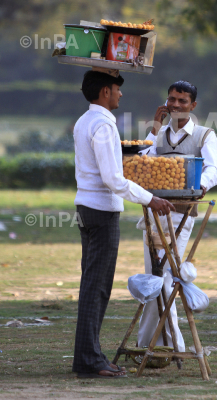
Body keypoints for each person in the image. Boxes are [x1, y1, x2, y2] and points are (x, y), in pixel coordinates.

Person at [72, 70, 175, 379]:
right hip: (101, 213)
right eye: (117, 89)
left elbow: (126, 158)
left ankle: (87, 358)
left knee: (93, 285)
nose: (120, 95)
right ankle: (89, 360)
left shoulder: (85, 121)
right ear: (105, 91)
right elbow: (114, 178)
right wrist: (150, 199)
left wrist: (154, 131)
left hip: (88, 208)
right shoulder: (102, 124)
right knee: (97, 287)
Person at [137, 80, 217, 352]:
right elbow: (140, 161)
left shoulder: (205, 135)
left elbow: (212, 170)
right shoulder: (157, 133)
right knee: (156, 276)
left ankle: (164, 345)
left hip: (182, 215)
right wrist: (154, 129)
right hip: (154, 211)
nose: (175, 105)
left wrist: (200, 186)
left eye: (182, 101)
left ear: (193, 106)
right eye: (172, 99)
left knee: (164, 277)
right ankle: (162, 345)